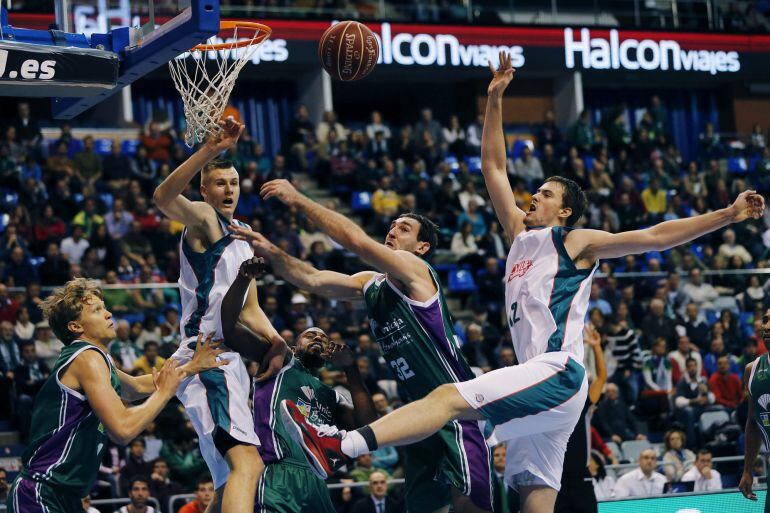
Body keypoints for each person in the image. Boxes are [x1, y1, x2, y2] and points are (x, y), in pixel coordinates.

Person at [278, 50, 764, 513]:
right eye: (536, 190)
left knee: (450, 399)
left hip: (560, 370)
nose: (534, 195)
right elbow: (493, 165)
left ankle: (341, 443)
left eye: (546, 194)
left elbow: (656, 236)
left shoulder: (574, 241)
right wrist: (494, 98)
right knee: (534, 494)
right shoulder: (516, 235)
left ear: (565, 210)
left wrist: (727, 213)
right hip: (541, 384)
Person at [231, 214, 492, 510]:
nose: (393, 230)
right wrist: (270, 250)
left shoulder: (418, 270)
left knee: (471, 505)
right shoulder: (370, 283)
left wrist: (295, 200)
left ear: (422, 247)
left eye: (404, 229)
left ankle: (340, 445)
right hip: (419, 418)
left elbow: (357, 242)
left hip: (455, 410)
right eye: (392, 225)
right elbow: (313, 279)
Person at [153, 117, 286, 513]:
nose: (228, 190)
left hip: (227, 359)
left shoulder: (243, 233)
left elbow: (251, 307)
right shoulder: (204, 220)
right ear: (204, 190)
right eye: (219, 184)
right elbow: (162, 198)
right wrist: (210, 151)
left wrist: (277, 342)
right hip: (208, 356)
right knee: (248, 464)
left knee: (230, 484)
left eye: (233, 183)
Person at [4, 278, 222, 513]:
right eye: (97, 310)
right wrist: (166, 392)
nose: (108, 314)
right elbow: (123, 429)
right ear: (76, 327)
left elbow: (138, 387)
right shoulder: (87, 358)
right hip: (40, 492)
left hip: (65, 496)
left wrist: (191, 367)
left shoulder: (95, 359)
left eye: (104, 307)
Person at [219, 257, 378, 513]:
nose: (317, 338)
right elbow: (228, 328)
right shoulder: (281, 359)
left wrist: (351, 369)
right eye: (310, 335)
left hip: (317, 480)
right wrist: (243, 279)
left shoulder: (331, 395)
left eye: (323, 338)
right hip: (278, 471)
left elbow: (370, 427)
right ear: (295, 345)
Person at [554, 324, 607, 513]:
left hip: (580, 476)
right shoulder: (547, 407)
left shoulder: (581, 403)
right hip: (555, 478)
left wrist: (596, 347)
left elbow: (601, 378)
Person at [739, 308, 770, 506]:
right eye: (765, 320)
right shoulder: (753, 369)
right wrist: (747, 470)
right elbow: (753, 420)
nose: (766, 326)